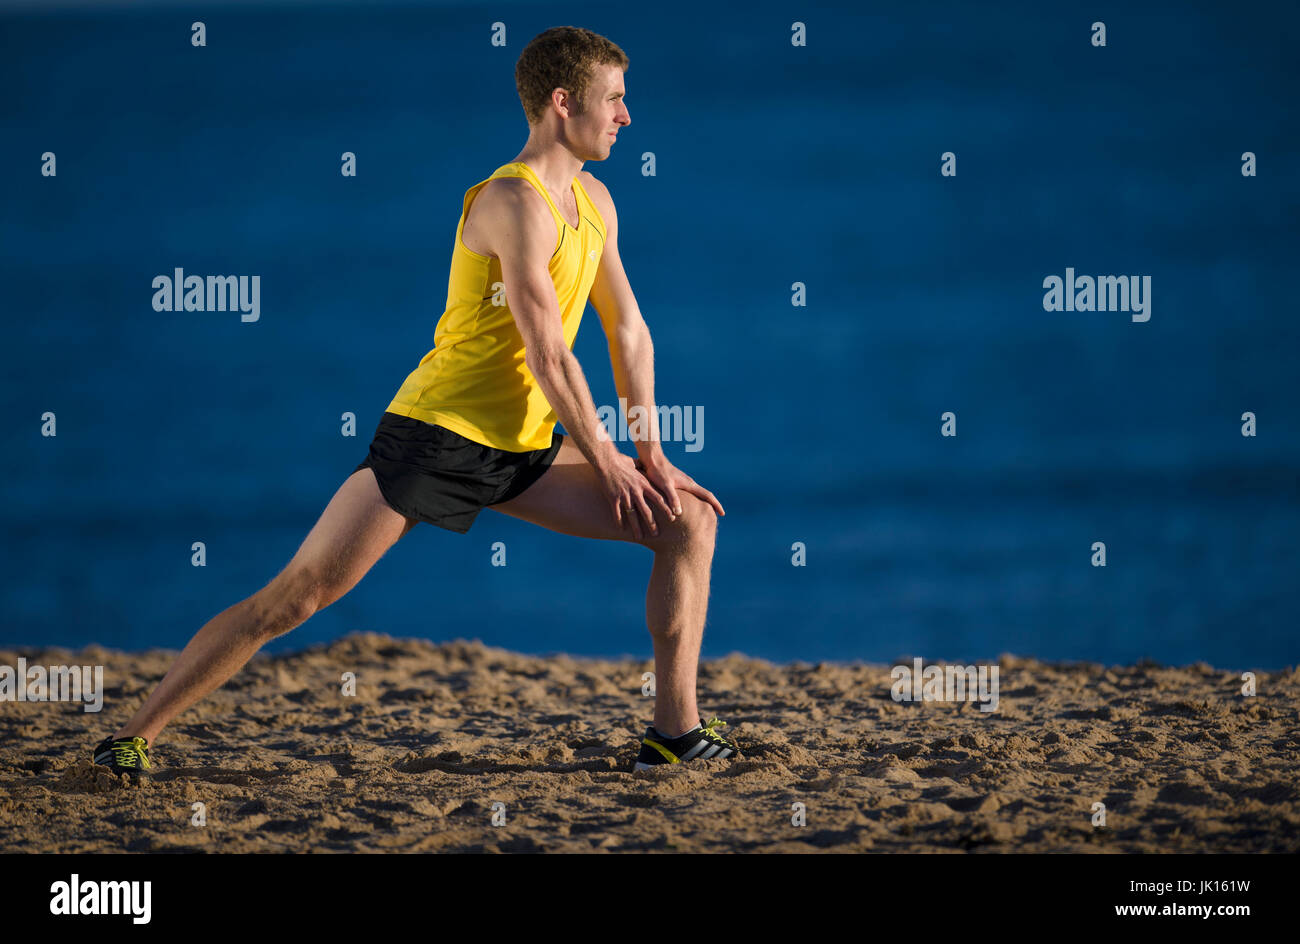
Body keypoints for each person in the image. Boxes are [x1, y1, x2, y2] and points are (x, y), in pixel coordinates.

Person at [92, 25, 737, 780]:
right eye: (615, 100)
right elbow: (548, 350)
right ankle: (133, 735)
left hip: (527, 445)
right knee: (298, 597)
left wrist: (649, 452)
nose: (627, 117)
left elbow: (627, 328)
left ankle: (673, 731)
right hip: (438, 436)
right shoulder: (511, 202)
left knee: (686, 521)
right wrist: (605, 456)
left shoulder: (594, 201)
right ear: (563, 104)